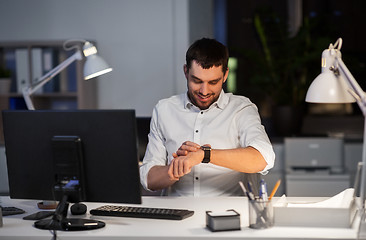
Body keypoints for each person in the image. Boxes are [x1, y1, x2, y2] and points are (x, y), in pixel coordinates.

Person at [140, 38, 275, 196]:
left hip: (229, 215)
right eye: (197, 81)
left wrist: (204, 155)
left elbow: (263, 158)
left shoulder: (242, 109)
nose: (204, 91)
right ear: (186, 72)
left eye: (213, 82)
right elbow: (149, 180)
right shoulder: (164, 110)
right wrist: (176, 167)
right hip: (177, 214)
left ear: (225, 75)